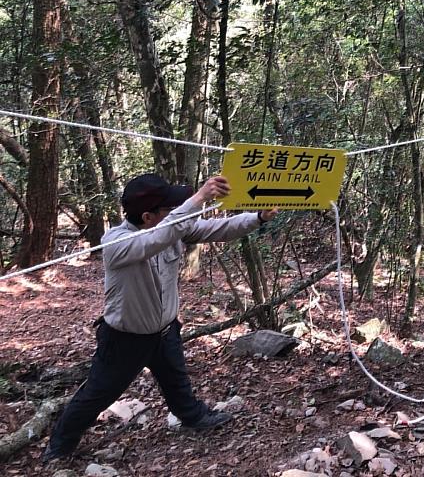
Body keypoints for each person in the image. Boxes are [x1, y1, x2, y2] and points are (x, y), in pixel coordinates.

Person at [43, 173, 278, 463]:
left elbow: (216, 227)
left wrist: (258, 217)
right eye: (168, 208)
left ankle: (192, 416)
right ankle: (60, 445)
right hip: (125, 339)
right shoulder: (115, 243)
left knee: (176, 381)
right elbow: (155, 240)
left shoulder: (173, 229)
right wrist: (198, 199)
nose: (175, 212)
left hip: (166, 331)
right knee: (98, 393)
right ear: (148, 216)